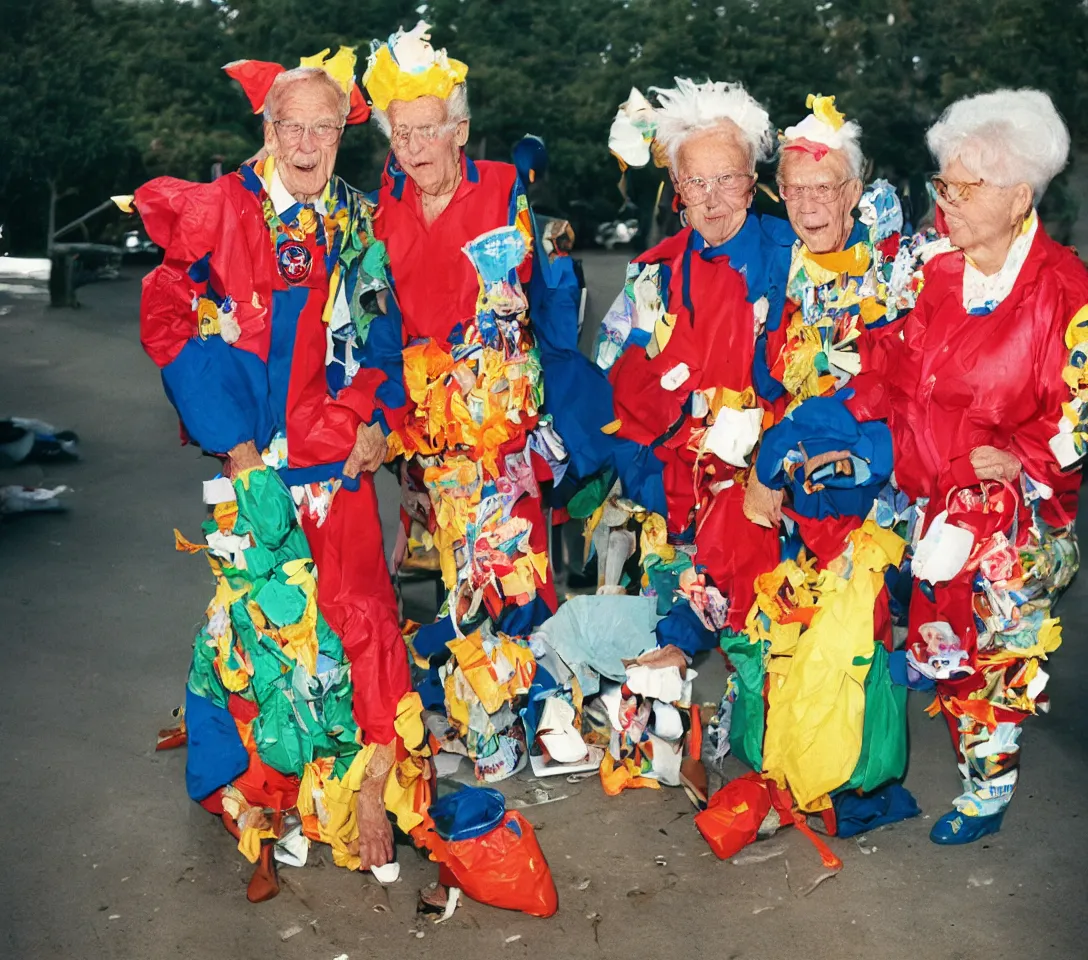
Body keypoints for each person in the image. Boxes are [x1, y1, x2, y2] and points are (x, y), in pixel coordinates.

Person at [134, 49, 413, 896]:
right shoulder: (217, 210)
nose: (305, 141)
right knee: (257, 626)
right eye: (291, 124)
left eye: (323, 127)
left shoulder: (359, 222)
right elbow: (167, 318)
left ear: (341, 136)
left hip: (336, 458)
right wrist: (239, 447)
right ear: (266, 129)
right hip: (252, 462)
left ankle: (364, 779)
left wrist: (375, 423)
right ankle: (263, 783)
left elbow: (382, 339)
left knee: (357, 610)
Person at [359, 23, 575, 780]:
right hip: (424, 432)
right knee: (447, 568)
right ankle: (467, 700)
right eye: (401, 132)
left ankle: (501, 723)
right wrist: (386, 413)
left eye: (429, 131)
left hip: (499, 425)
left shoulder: (502, 190)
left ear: (461, 131)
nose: (414, 147)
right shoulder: (383, 211)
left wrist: (550, 409)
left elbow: (548, 305)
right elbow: (378, 323)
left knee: (503, 567)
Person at [877, 89, 1088, 843]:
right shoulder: (935, 276)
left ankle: (987, 789)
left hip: (1020, 515)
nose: (947, 203)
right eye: (943, 185)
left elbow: (1080, 418)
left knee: (999, 637)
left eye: (966, 188)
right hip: (932, 493)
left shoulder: (1068, 290)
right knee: (940, 636)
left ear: (1019, 195)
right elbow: (895, 370)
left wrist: (1022, 460)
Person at [593, 78, 792, 653]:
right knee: (666, 674)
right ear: (677, 188)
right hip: (671, 508)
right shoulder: (651, 273)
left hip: (770, 508)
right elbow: (614, 379)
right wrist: (648, 475)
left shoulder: (791, 258)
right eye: (696, 182)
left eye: (726, 179)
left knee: (764, 672)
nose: (712, 198)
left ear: (752, 185)